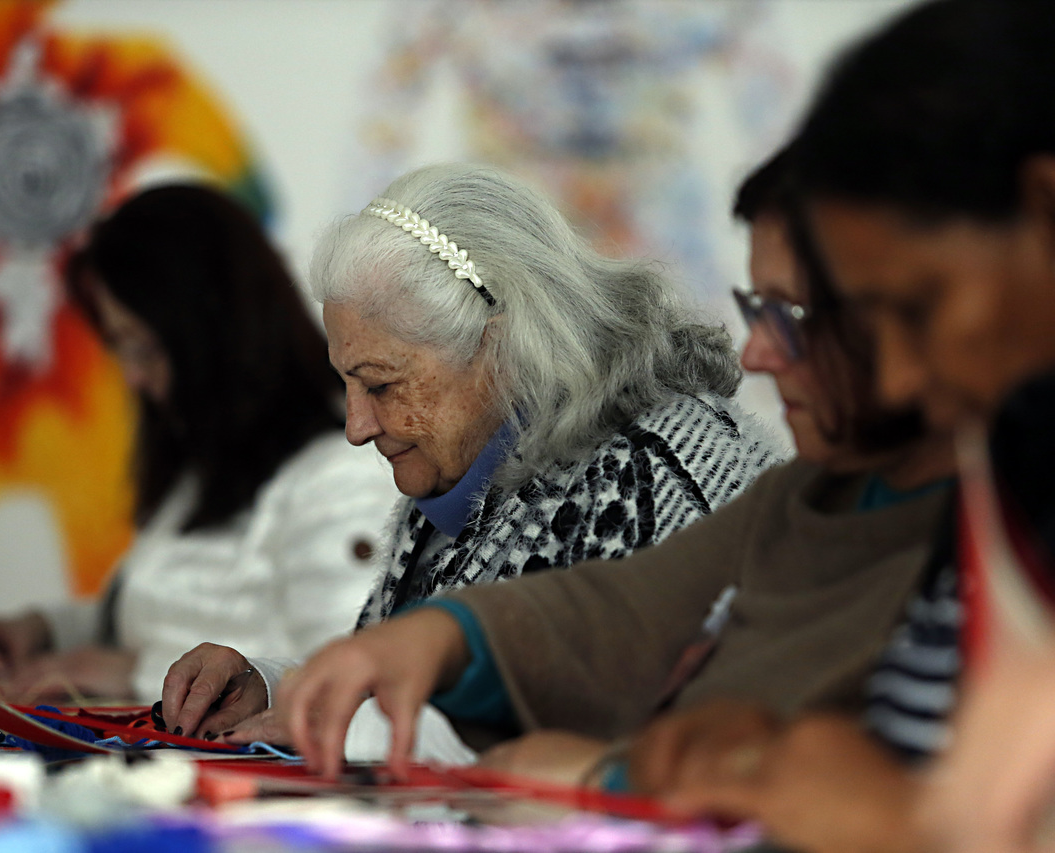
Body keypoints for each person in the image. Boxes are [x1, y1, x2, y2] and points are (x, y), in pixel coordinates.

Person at [270, 148, 957, 798]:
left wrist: (610, 775)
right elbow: (623, 603)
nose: (756, 353)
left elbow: (827, 770)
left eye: (791, 315)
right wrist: (307, 680)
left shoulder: (660, 470)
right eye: (757, 312)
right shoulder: (808, 491)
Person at [158, 163, 781, 751]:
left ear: (503, 345)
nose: (356, 427)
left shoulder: (655, 472)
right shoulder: (460, 474)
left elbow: (647, 743)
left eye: (380, 384)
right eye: (347, 384)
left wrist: (352, 730)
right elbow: (419, 686)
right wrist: (277, 687)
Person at [778, 2, 1055, 850]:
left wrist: (900, 826)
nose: (896, 378)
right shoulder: (1015, 449)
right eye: (869, 324)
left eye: (919, 306)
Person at [0, 183, 397, 703]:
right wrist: (48, 630)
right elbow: (158, 611)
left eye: (142, 348)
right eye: (121, 349)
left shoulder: (341, 474)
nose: (134, 379)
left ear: (212, 334)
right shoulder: (209, 466)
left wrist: (141, 677)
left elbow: (352, 674)